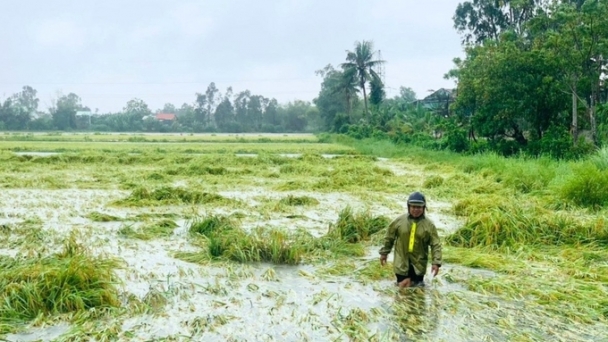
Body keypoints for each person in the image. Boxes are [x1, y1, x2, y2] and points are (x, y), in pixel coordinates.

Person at [379, 191, 442, 288]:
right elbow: (389, 238)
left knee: (416, 290)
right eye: (413, 207)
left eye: (419, 207)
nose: (416, 210)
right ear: (408, 207)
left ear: (424, 208)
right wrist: (384, 253)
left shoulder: (429, 225)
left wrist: (436, 263)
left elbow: (435, 244)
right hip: (401, 262)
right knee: (403, 287)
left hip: (419, 264)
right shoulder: (399, 221)